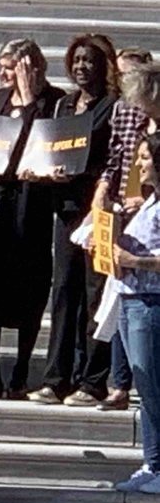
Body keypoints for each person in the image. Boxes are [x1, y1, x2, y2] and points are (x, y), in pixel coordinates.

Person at [0, 39, 65, 399]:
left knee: (29, 285)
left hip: (29, 202)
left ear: (30, 67)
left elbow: (44, 142)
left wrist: (30, 98)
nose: (2, 74)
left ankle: (21, 371)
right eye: (1, 66)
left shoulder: (54, 101)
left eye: (9, 67)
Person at [28, 34, 120, 406]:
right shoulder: (64, 104)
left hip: (96, 211)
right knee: (64, 291)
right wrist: (47, 172)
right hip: (65, 210)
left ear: (104, 66)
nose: (82, 67)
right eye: (77, 60)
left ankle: (93, 380)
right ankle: (56, 378)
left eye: (90, 61)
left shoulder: (112, 106)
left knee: (96, 293)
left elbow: (113, 158)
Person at [94, 48, 154, 411]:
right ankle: (119, 381)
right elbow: (115, 158)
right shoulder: (126, 113)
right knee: (118, 291)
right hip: (125, 209)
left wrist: (147, 197)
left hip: (151, 212)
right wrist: (103, 190)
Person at [111, 133, 160, 493]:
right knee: (146, 386)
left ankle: (158, 464)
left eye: (145, 158)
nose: (140, 164)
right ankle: (152, 462)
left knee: (153, 385)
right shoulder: (148, 202)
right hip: (130, 299)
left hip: (151, 303)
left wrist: (134, 260)